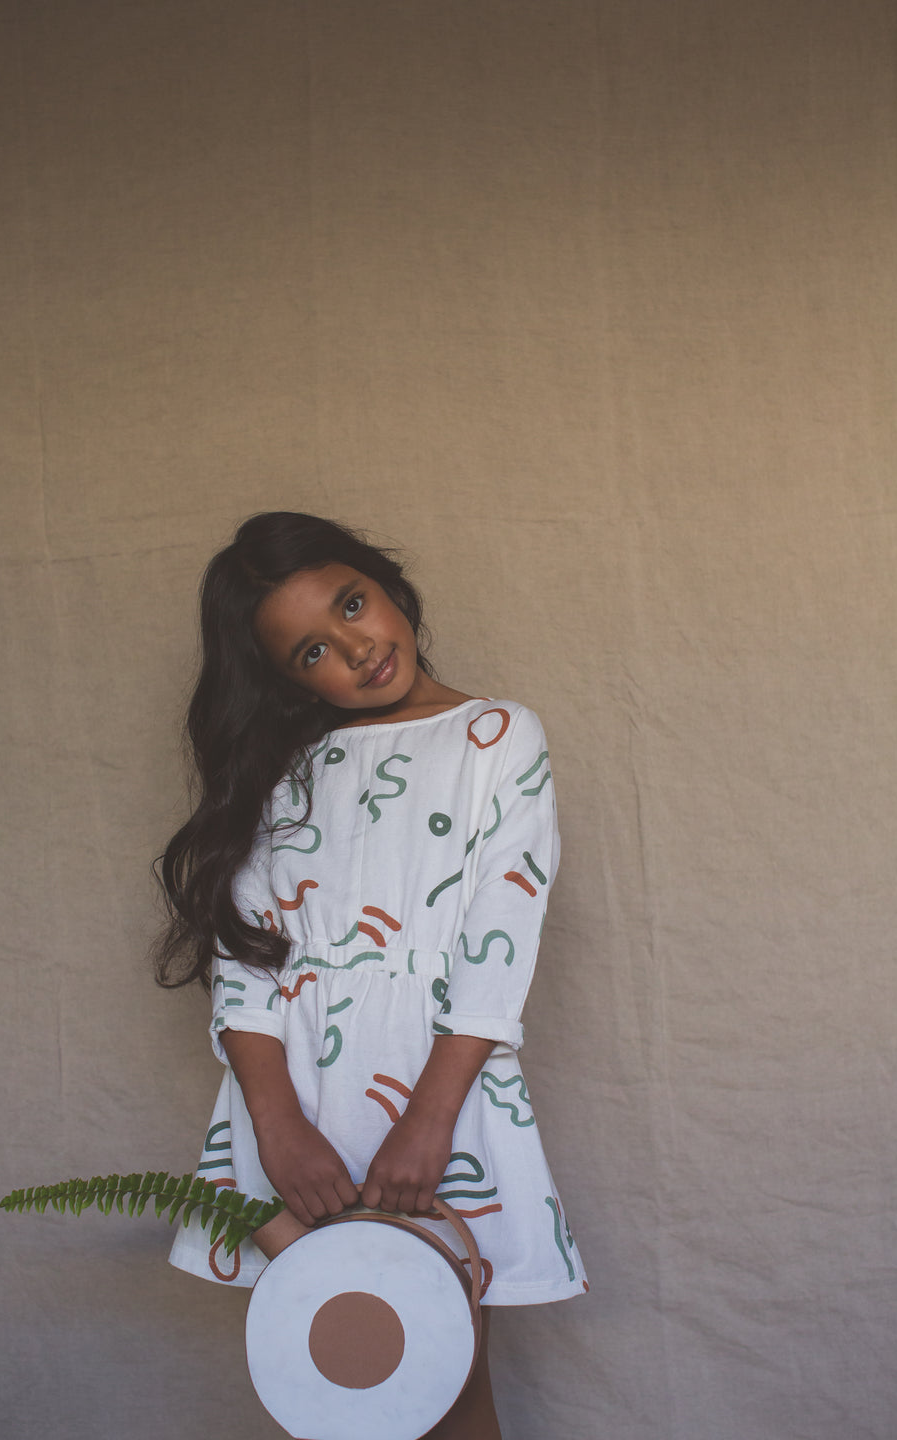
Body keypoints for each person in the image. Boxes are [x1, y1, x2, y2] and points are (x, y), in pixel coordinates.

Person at [156, 511, 587, 1439]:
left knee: (446, 1382)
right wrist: (277, 1129)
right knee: (338, 1383)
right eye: (312, 651)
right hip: (299, 1109)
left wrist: (429, 1123)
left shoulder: (498, 735)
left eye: (352, 605)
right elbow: (247, 965)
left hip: (439, 1100)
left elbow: (498, 943)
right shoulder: (281, 772)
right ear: (285, 679)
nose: (355, 648)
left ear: (388, 583)